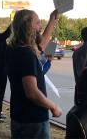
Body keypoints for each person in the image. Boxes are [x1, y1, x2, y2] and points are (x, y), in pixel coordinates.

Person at [6, 9, 62, 139]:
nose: (40, 27)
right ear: (27, 26)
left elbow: (41, 45)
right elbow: (31, 92)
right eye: (37, 23)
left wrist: (52, 21)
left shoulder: (12, 49)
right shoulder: (27, 54)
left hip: (18, 116)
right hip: (33, 121)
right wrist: (53, 106)